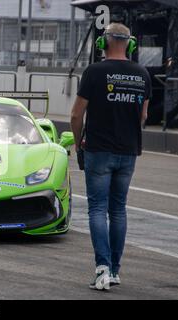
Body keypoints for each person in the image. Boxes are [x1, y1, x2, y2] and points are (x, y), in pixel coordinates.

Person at [70, 23, 151, 291]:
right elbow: (143, 117)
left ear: (102, 44)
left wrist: (80, 142)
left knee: (96, 209)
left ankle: (102, 267)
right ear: (130, 44)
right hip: (128, 151)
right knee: (118, 210)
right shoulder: (142, 74)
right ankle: (114, 270)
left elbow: (75, 114)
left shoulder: (94, 72)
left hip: (98, 150)